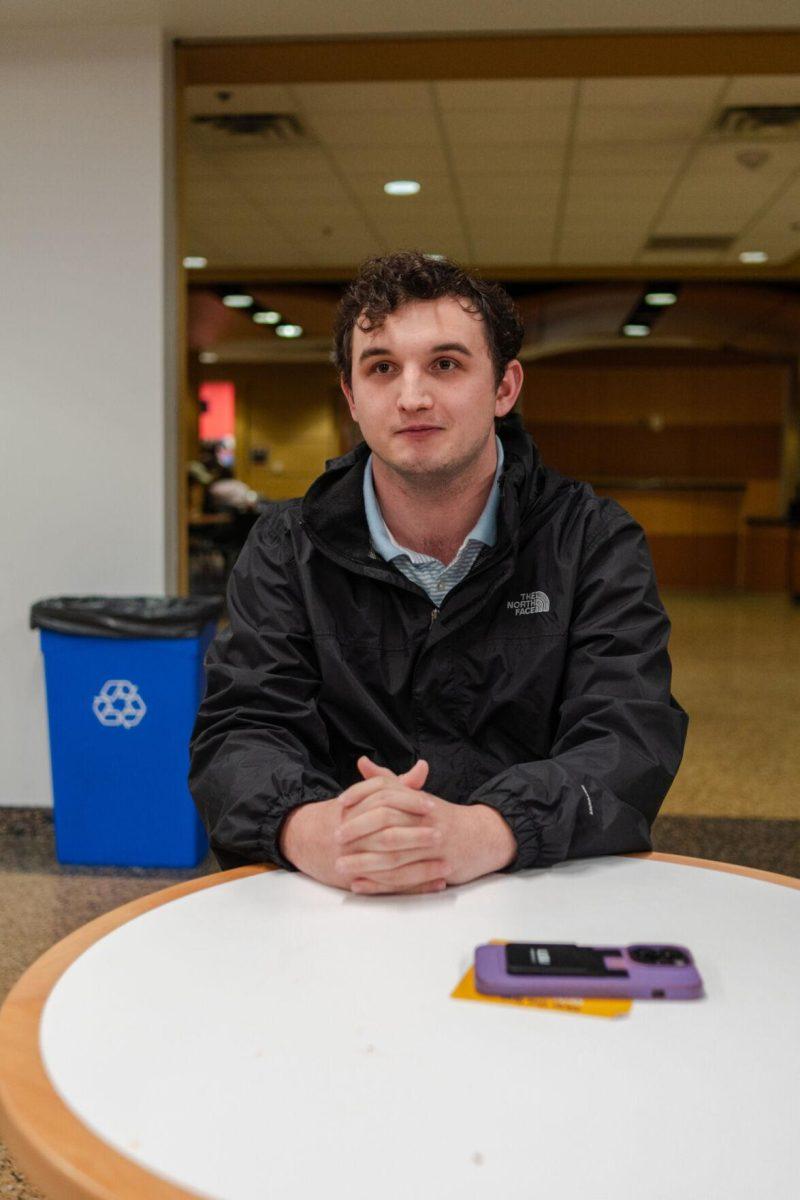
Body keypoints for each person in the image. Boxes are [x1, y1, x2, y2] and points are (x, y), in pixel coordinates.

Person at [189, 251, 688, 896]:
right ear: (351, 394)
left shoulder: (589, 540)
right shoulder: (287, 546)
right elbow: (241, 730)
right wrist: (313, 828)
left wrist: (486, 829)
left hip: (533, 888)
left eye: (446, 364)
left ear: (505, 388)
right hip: (337, 896)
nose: (412, 396)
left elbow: (629, 735)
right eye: (382, 368)